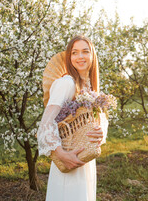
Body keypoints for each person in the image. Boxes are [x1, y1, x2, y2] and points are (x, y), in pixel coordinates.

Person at [37, 35, 108, 201]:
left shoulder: (91, 87)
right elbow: (45, 125)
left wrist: (100, 132)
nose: (80, 57)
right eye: (74, 53)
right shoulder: (67, 83)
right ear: (69, 57)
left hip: (86, 160)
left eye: (85, 51)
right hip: (68, 157)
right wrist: (61, 154)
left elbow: (101, 120)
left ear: (92, 56)